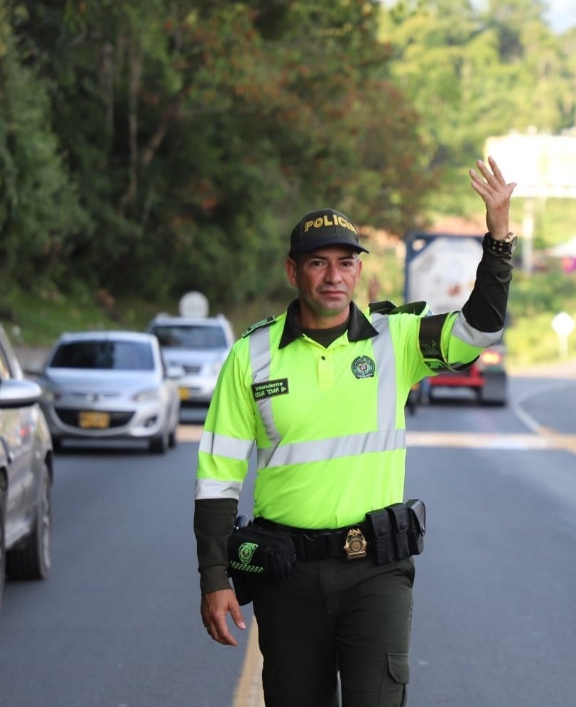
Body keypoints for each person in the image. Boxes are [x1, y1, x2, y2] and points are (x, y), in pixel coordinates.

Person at [195, 156, 516, 707]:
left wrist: (499, 237)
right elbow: (217, 478)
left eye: (346, 263)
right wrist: (214, 578)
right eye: (318, 263)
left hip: (376, 573)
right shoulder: (250, 356)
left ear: (359, 272)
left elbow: (479, 327)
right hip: (286, 576)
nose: (333, 276)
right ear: (293, 272)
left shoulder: (397, 340)